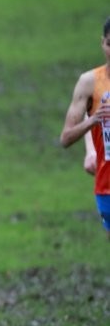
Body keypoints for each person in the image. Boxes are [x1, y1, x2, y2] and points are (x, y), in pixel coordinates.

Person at [60, 16, 110, 239]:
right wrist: (92, 120)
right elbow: (66, 138)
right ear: (102, 43)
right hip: (107, 186)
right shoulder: (90, 82)